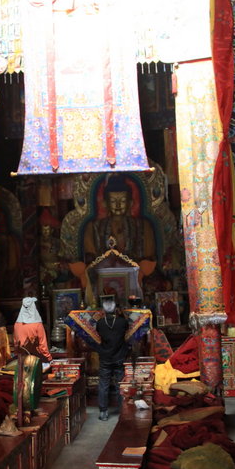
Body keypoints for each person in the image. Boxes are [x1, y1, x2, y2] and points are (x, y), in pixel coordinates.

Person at [85, 179, 156, 264]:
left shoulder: (142, 226)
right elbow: (91, 259)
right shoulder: (95, 227)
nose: (118, 205)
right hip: (105, 270)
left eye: (123, 201)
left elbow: (149, 258)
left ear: (130, 203)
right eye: (113, 201)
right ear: (105, 203)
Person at [96, 293, 130, 421]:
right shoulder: (122, 322)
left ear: (103, 310)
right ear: (116, 309)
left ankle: (103, 412)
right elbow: (127, 328)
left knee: (103, 384)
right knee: (120, 384)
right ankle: (122, 410)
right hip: (119, 356)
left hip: (105, 357)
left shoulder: (100, 323)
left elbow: (99, 333)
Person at [13, 296, 53, 366]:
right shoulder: (37, 324)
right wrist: (49, 358)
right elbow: (43, 346)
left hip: (20, 359)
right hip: (35, 359)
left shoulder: (17, 324)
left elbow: (16, 344)